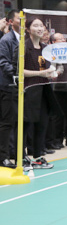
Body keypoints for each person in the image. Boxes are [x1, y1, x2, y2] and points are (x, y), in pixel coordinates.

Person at [22, 17, 59, 168]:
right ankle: (22, 158)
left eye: (41, 26)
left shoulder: (46, 48)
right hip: (29, 90)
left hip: (44, 90)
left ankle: (37, 156)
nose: (40, 28)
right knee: (25, 126)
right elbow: (20, 71)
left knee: (42, 125)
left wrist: (53, 72)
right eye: (35, 25)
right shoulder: (23, 47)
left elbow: (50, 68)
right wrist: (40, 74)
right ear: (28, 29)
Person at [0, 10, 21, 168]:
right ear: (10, 22)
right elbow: (4, 62)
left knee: (19, 121)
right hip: (8, 86)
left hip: (21, 87)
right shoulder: (6, 40)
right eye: (19, 18)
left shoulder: (24, 39)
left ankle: (18, 154)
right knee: (7, 122)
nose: (23, 20)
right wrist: (17, 75)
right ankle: (3, 157)